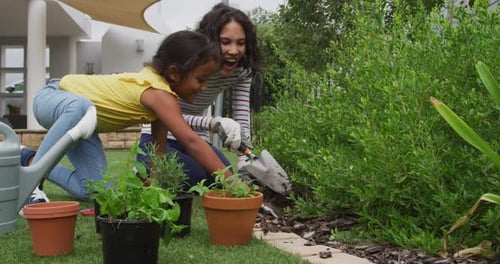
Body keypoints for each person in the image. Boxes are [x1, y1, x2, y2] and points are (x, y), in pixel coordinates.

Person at [20, 30, 231, 207]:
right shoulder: (158, 93)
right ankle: (31, 185)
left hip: (83, 123)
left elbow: (159, 150)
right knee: (82, 107)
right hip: (53, 97)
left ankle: (27, 159)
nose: (204, 87)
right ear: (174, 73)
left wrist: (154, 187)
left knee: (96, 190)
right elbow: (192, 142)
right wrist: (233, 184)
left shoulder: (162, 94)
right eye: (201, 79)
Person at [137, 3, 263, 188]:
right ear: (210, 40)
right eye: (225, 42)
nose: (234, 51)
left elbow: (242, 117)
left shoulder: (241, 71)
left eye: (241, 43)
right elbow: (164, 115)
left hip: (198, 140)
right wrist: (212, 123)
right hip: (160, 136)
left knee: (219, 179)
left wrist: (245, 157)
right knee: (194, 177)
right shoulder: (189, 65)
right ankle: (143, 171)